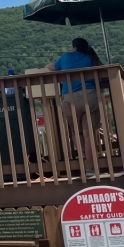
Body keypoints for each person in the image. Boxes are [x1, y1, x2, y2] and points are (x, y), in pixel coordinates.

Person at [45, 37, 102, 168]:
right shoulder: (92, 58)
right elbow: (102, 69)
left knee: (76, 131)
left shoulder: (66, 57)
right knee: (89, 134)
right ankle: (91, 167)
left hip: (69, 99)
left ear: (74, 47)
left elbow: (52, 67)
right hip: (90, 95)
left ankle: (82, 155)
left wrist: (47, 66)